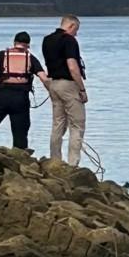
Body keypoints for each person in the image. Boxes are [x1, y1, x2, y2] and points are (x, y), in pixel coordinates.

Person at [42, 15, 87, 165]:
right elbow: (73, 67)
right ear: (71, 26)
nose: (76, 34)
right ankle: (73, 164)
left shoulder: (47, 40)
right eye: (76, 30)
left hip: (53, 84)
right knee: (77, 125)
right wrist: (82, 89)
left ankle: (55, 160)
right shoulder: (69, 40)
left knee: (58, 124)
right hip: (68, 85)